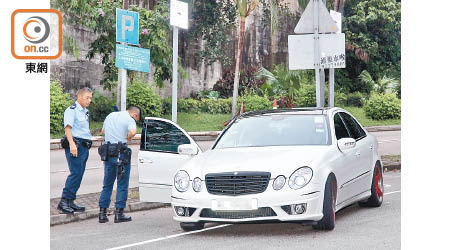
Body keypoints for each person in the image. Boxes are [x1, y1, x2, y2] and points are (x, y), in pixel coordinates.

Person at [97, 106, 142, 223]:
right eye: (137, 119)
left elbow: (103, 131)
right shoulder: (129, 119)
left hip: (108, 153)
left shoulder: (110, 115)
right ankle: (119, 214)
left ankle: (102, 214)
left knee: (107, 184)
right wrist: (126, 138)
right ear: (135, 115)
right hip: (121, 153)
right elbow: (133, 132)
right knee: (122, 183)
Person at [57, 87, 93, 214]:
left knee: (79, 174)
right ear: (79, 97)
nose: (89, 100)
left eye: (90, 98)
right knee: (75, 173)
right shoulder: (71, 110)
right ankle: (64, 202)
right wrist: (72, 145)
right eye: (87, 98)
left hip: (84, 146)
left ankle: (70, 200)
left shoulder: (84, 111)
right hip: (76, 145)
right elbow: (68, 128)